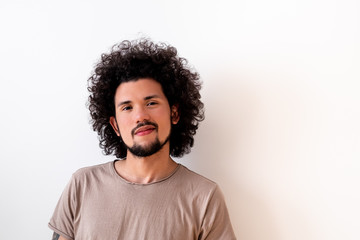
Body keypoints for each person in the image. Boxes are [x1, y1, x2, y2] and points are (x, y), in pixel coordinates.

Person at [48, 38, 236, 240]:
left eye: (151, 103)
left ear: (174, 113)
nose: (140, 116)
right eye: (127, 108)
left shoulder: (204, 197)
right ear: (115, 126)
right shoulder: (82, 184)